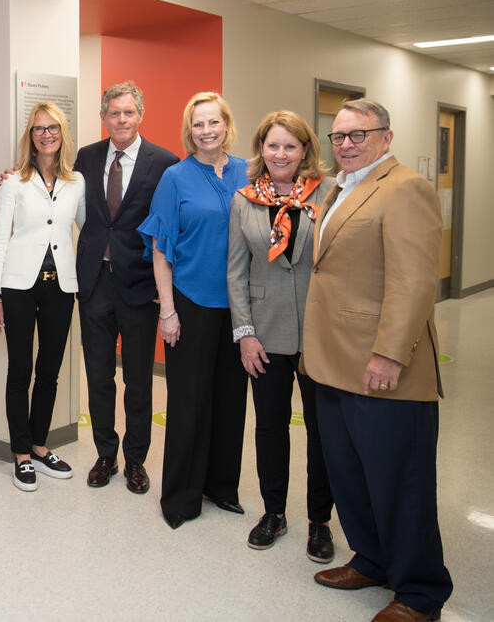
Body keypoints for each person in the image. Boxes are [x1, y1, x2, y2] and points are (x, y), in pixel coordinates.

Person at [303, 99, 450, 622]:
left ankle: (418, 593)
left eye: (357, 135)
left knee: (399, 480)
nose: (345, 144)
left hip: (381, 366)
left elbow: (413, 283)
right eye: (337, 136)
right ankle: (371, 560)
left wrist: (390, 354)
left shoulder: (405, 187)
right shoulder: (341, 188)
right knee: (350, 474)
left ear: (386, 138)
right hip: (333, 362)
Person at [226, 111, 335, 561]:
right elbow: (236, 272)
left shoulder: (328, 194)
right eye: (273, 145)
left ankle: (319, 521)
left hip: (319, 334)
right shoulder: (245, 199)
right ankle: (274, 512)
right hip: (265, 335)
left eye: (291, 146)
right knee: (270, 428)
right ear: (261, 150)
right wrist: (245, 334)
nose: (281, 154)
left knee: (321, 432)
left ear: (306, 149)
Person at [138, 91, 249, 529]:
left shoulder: (247, 171)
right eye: (198, 124)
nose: (206, 131)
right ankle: (181, 497)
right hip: (191, 302)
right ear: (190, 130)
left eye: (213, 122)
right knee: (188, 401)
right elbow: (160, 249)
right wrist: (167, 310)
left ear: (226, 124)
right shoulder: (176, 177)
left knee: (230, 399)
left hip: (240, 307)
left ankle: (221, 487)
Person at [74, 82, 178, 493]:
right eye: (114, 113)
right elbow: (58, 190)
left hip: (139, 287)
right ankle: (105, 454)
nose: (121, 120)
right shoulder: (87, 156)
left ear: (140, 115)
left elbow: (170, 227)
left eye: (128, 113)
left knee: (138, 379)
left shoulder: (164, 163)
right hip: (95, 282)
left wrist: (165, 286)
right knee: (98, 376)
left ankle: (136, 460)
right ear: (105, 116)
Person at [0, 102, 85, 491]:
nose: (46, 134)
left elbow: (90, 229)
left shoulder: (77, 183)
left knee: (50, 371)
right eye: (38, 129)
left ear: (63, 134)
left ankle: (41, 447)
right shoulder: (14, 182)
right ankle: (22, 454)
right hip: (18, 287)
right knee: (20, 370)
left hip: (61, 286)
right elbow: (0, 239)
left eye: (53, 128)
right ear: (30, 136)